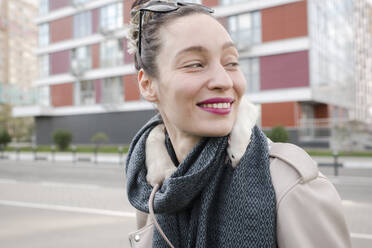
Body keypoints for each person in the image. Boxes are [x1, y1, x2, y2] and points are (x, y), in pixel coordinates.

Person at [125, 0, 351, 247]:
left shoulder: (291, 186)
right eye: (195, 64)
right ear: (147, 85)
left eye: (231, 62)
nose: (224, 80)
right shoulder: (152, 189)